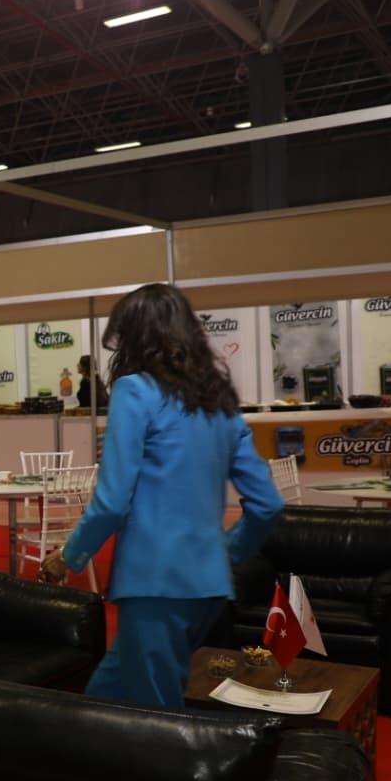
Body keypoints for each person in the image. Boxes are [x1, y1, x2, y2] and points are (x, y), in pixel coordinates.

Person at [40, 283, 282, 708]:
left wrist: (67, 557)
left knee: (158, 720)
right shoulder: (220, 404)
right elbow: (268, 504)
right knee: (102, 700)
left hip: (155, 585)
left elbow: (112, 502)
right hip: (208, 588)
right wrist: (226, 552)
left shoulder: (135, 390)